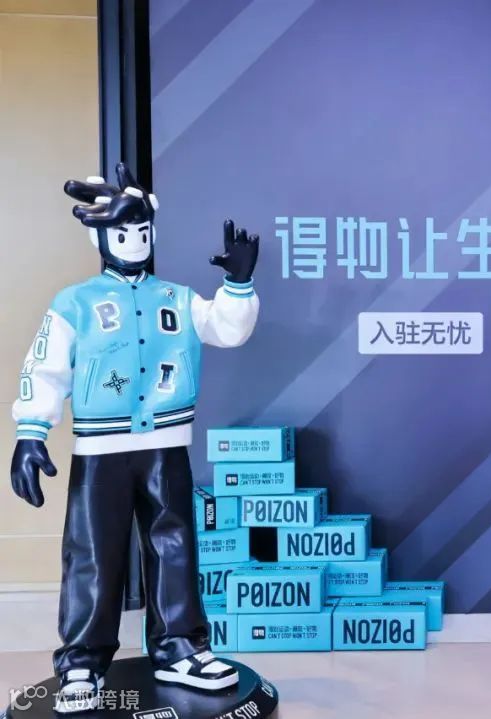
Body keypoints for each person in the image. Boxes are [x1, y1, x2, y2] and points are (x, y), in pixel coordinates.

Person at [9, 164, 260, 713]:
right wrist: (32, 431)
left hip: (166, 444)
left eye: (143, 231)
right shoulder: (74, 303)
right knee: (93, 554)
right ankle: (81, 664)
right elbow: (45, 366)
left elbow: (226, 329)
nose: (135, 242)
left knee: (175, 547)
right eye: (123, 233)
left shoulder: (177, 297)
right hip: (101, 451)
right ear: (100, 239)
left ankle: (179, 648)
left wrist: (238, 285)